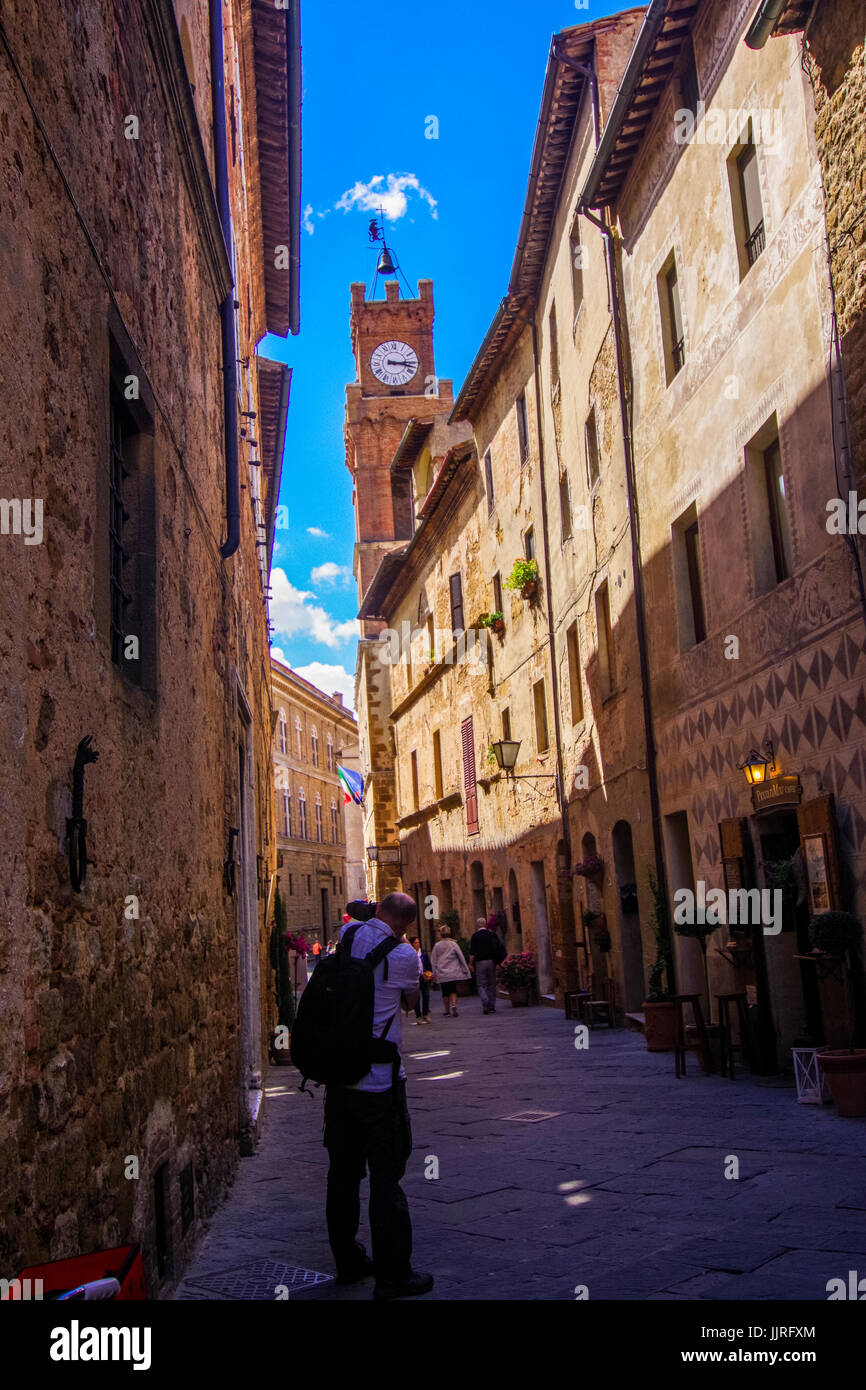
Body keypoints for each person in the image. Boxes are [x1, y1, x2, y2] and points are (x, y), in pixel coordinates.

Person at [324, 892, 434, 1301]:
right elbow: (409, 1000)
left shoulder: (348, 935)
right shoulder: (405, 955)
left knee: (342, 1175)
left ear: (377, 911)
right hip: (380, 1083)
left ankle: (348, 1262)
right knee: (386, 1180)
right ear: (404, 923)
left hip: (339, 1081)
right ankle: (393, 1276)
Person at [431, 924, 471, 1017]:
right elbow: (461, 957)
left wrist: (434, 973)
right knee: (453, 989)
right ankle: (453, 1005)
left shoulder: (437, 946)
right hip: (453, 972)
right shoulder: (454, 944)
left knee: (445, 991)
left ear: (441, 934)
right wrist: (465, 969)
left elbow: (433, 960)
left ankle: (447, 1010)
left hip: (442, 972)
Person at [469, 915, 506, 1014]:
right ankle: (492, 1006)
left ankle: (485, 1001)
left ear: (477, 925)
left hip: (480, 962)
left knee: (481, 984)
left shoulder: (475, 936)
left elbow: (472, 952)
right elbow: (497, 947)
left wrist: (470, 964)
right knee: (491, 984)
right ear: (485, 924)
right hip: (491, 961)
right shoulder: (491, 935)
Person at [411, 936, 433, 1024]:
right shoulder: (411, 953)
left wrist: (430, 972)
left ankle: (426, 1014)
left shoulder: (423, 952)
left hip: (424, 976)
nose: (418, 944)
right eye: (416, 943)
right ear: (412, 944)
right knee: (416, 997)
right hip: (415, 977)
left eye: (418, 942)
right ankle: (418, 1016)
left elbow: (428, 963)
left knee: (426, 995)